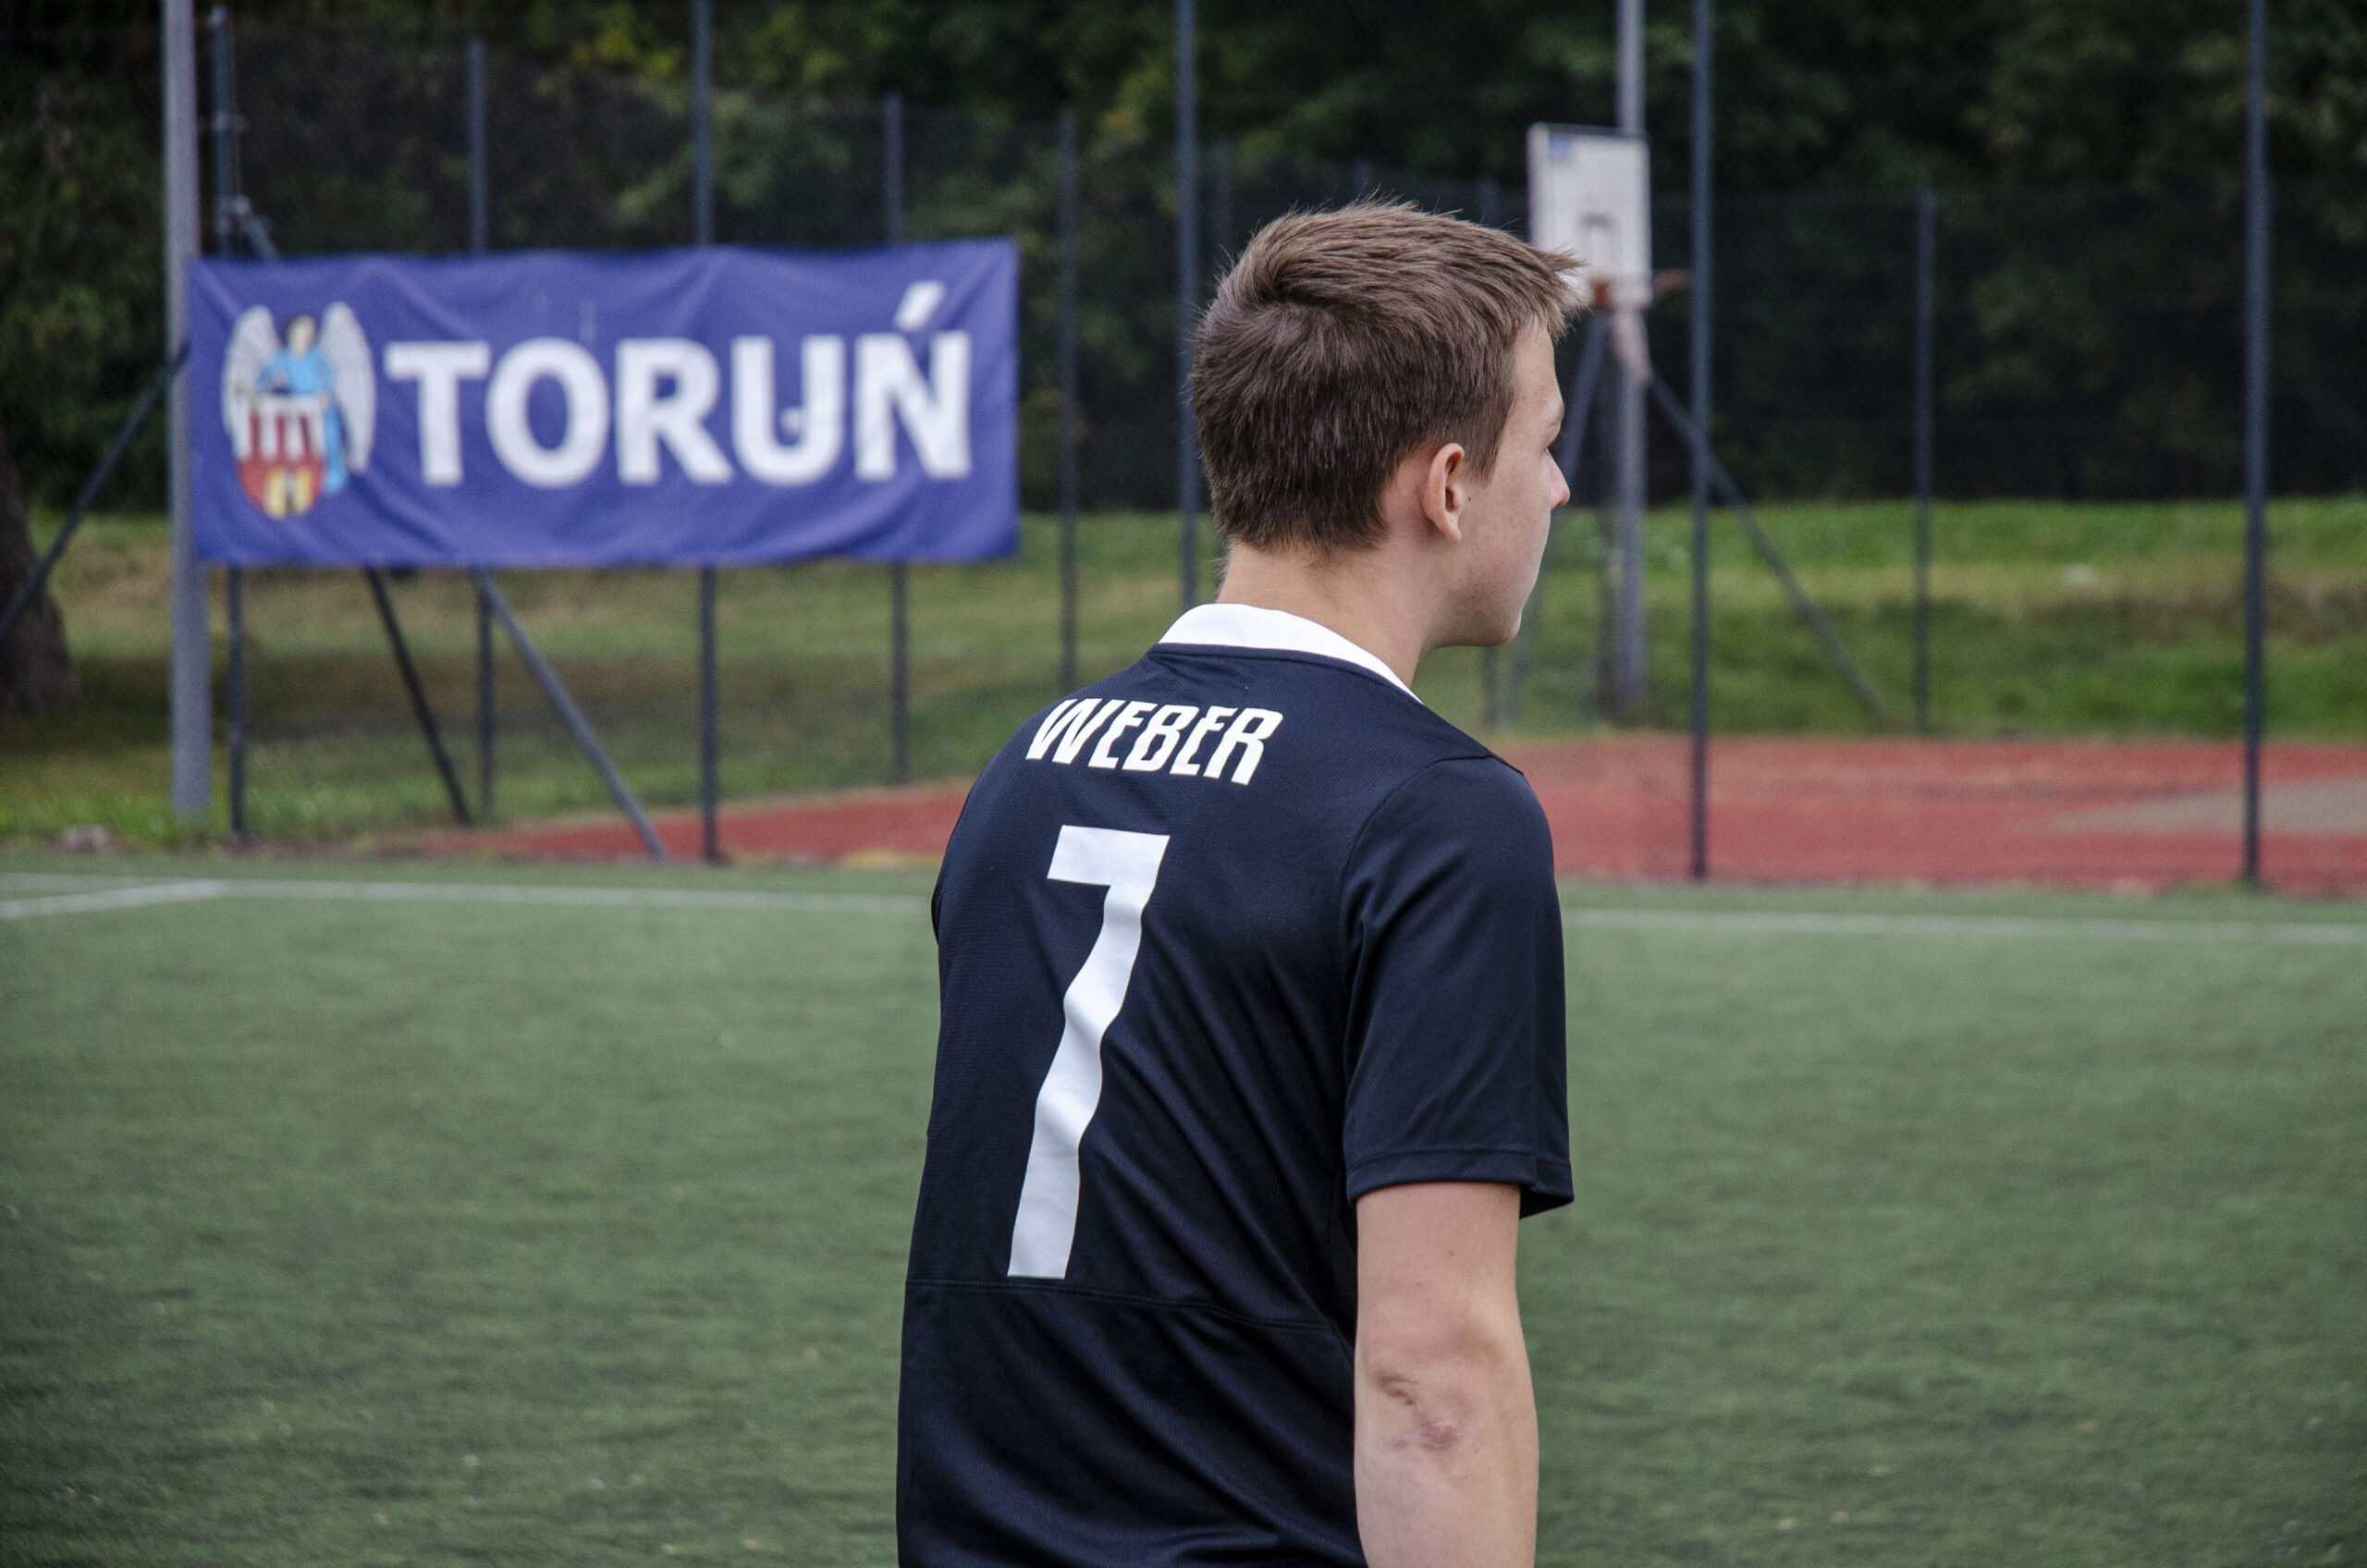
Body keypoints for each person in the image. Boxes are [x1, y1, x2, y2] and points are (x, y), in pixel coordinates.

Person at [899, 202, 1578, 1567]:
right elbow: (1432, 1379)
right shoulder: (1440, 817)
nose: (1560, 488)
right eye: (1546, 443)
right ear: (1447, 488)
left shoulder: (1029, 766)